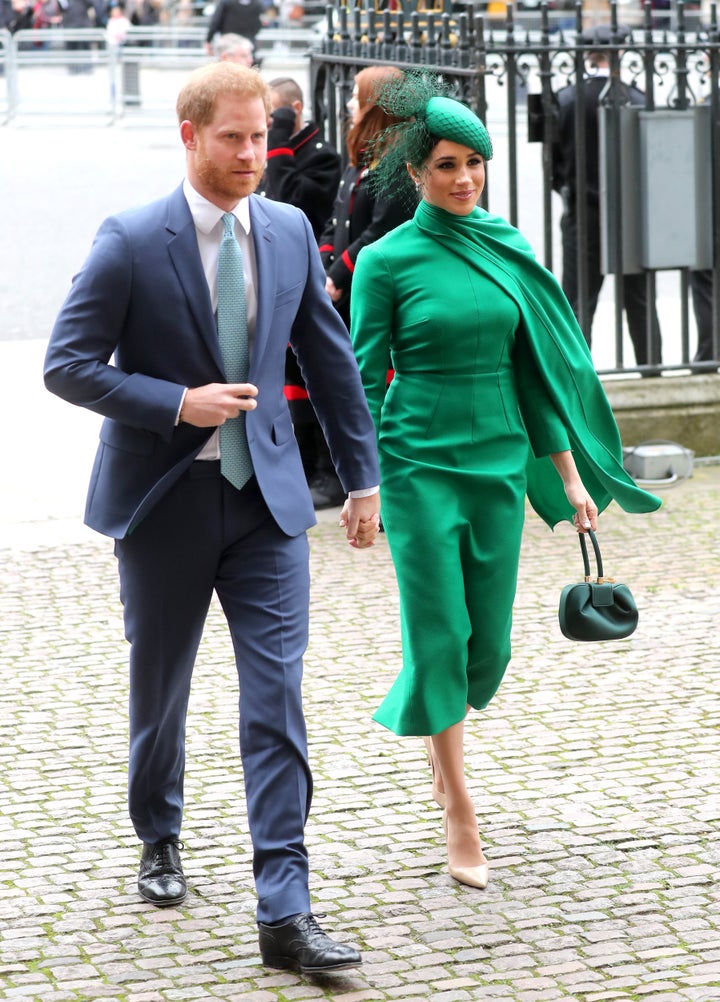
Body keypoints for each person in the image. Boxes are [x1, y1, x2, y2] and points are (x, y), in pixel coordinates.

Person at [44, 61, 381, 973]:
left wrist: (362, 479)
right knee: (162, 689)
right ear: (189, 137)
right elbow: (67, 366)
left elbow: (331, 354)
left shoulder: (286, 228)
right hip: (164, 504)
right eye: (231, 137)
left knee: (276, 702)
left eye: (260, 137)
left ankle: (285, 908)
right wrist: (175, 402)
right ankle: (159, 834)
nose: (251, 154)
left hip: (268, 504)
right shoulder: (129, 239)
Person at [349, 73, 661, 891]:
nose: (464, 179)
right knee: (441, 633)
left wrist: (567, 473)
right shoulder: (386, 261)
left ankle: (437, 728)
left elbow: (534, 374)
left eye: (475, 164)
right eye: (447, 165)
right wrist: (371, 478)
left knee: (488, 645)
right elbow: (362, 373)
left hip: (496, 467)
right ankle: (458, 804)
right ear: (415, 172)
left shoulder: (505, 248)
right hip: (419, 468)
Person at [313, 65, 414, 508]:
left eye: (357, 95)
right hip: (347, 288)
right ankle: (345, 477)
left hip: (376, 289)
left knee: (377, 390)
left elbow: (382, 229)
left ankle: (384, 490)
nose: (351, 104)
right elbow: (340, 218)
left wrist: (337, 276)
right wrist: (323, 263)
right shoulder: (365, 158)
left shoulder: (398, 162)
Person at [552, 25, 663, 371]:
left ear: (586, 55)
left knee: (579, 303)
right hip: (633, 216)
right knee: (641, 302)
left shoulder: (566, 98)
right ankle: (653, 372)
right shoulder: (639, 98)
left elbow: (553, 165)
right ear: (620, 55)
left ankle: (576, 383)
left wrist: (568, 189)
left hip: (583, 214)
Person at [257, 76, 343, 506]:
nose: (268, 125)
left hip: (313, 283)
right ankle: (303, 469)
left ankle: (329, 475)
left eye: (273, 115)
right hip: (271, 279)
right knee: (287, 378)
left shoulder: (322, 157)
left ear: (293, 109)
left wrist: (277, 136)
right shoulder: (271, 151)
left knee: (317, 378)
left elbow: (292, 199)